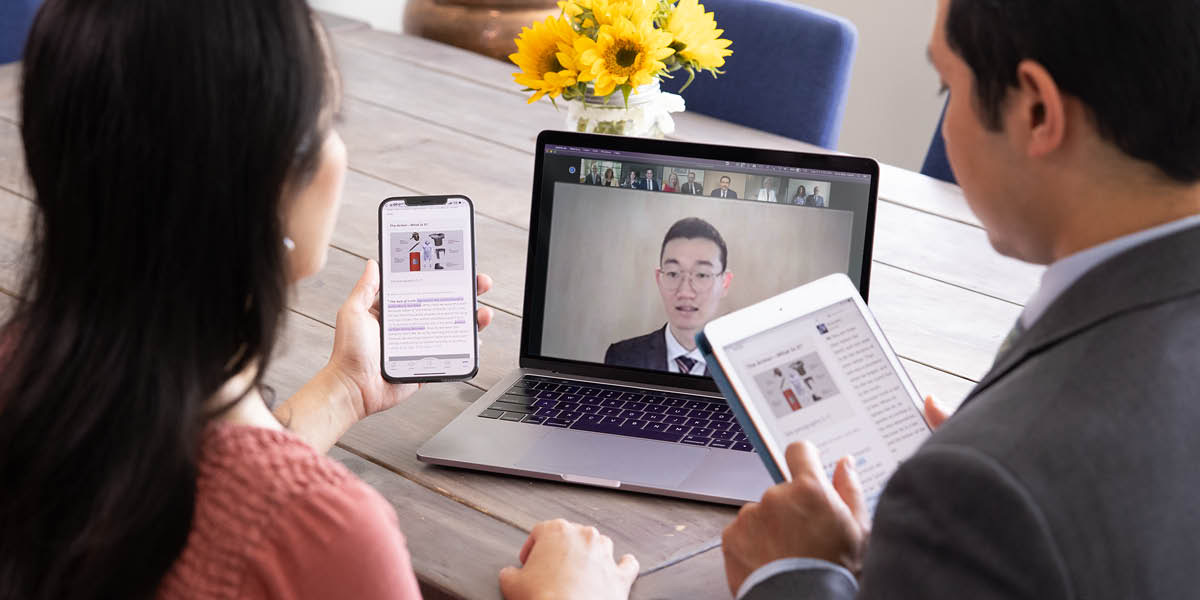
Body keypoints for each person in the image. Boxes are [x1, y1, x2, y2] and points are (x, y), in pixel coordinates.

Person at [0, 1, 501, 597]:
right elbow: (256, 515)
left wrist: (343, 390)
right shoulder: (331, 538)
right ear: (268, 189)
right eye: (328, 121)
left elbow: (185, 478)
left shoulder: (22, 377)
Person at [718, 0, 1200, 598]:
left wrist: (792, 575)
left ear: (1037, 111)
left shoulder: (982, 494)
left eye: (947, 88)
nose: (945, 124)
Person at [603, 218, 733, 375]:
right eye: (673, 273)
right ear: (659, 279)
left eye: (702, 275)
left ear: (724, 283)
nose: (685, 292)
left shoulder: (740, 364)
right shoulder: (623, 357)